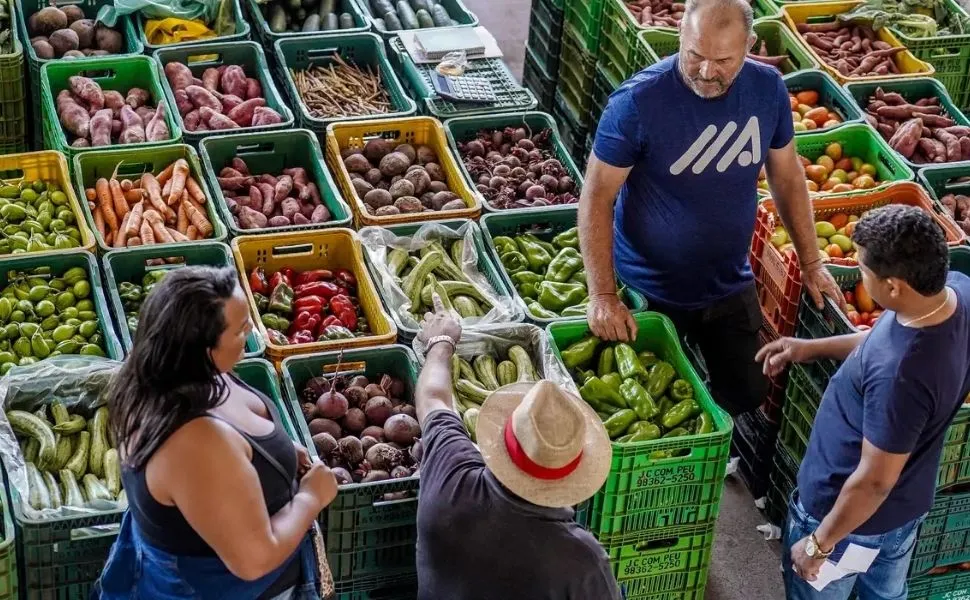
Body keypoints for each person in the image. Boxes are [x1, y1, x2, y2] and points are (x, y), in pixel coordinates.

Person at [580, 0, 841, 416]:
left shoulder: (767, 89)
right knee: (647, 402)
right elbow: (596, 196)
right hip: (648, 287)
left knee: (749, 391)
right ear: (680, 34)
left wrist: (811, 262)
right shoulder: (638, 102)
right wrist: (604, 294)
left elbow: (788, 176)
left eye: (722, 60)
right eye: (694, 55)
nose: (705, 71)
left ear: (749, 45)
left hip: (727, 280)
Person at [757, 205, 970, 599]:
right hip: (904, 511)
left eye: (864, 270)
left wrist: (819, 544)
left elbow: (874, 481)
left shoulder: (901, 377)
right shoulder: (955, 293)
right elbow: (882, 341)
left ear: (893, 286)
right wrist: (812, 348)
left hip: (847, 521)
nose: (859, 274)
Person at [94, 266, 338, 600]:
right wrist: (312, 497)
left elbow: (236, 447)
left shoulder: (164, 376)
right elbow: (255, 560)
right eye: (240, 330)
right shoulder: (195, 444)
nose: (252, 329)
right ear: (206, 350)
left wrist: (278, 450)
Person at [413, 294, 622, 599]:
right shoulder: (581, 560)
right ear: (572, 475)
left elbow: (434, 398)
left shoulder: (451, 480)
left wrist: (442, 341)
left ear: (502, 439)